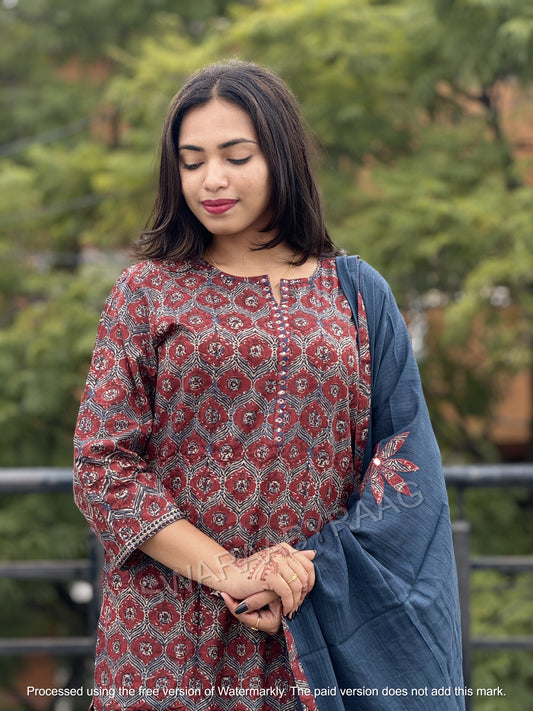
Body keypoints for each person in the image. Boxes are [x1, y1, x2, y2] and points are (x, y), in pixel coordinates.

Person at [74, 60, 464, 711]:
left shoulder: (356, 294)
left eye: (236, 156)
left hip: (316, 629)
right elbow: (102, 465)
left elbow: (404, 466)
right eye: (191, 161)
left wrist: (305, 570)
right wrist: (228, 571)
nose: (211, 179)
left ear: (280, 156)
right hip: (170, 635)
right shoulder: (148, 291)